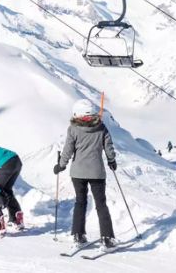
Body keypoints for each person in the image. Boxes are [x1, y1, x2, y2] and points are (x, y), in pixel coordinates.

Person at [54, 99, 118, 250]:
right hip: (97, 172)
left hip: (78, 173)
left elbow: (68, 149)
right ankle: (107, 238)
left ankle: (78, 235)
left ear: (77, 113)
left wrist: (61, 165)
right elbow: (108, 146)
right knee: (101, 204)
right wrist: (111, 160)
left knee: (80, 203)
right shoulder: (101, 127)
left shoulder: (73, 129)